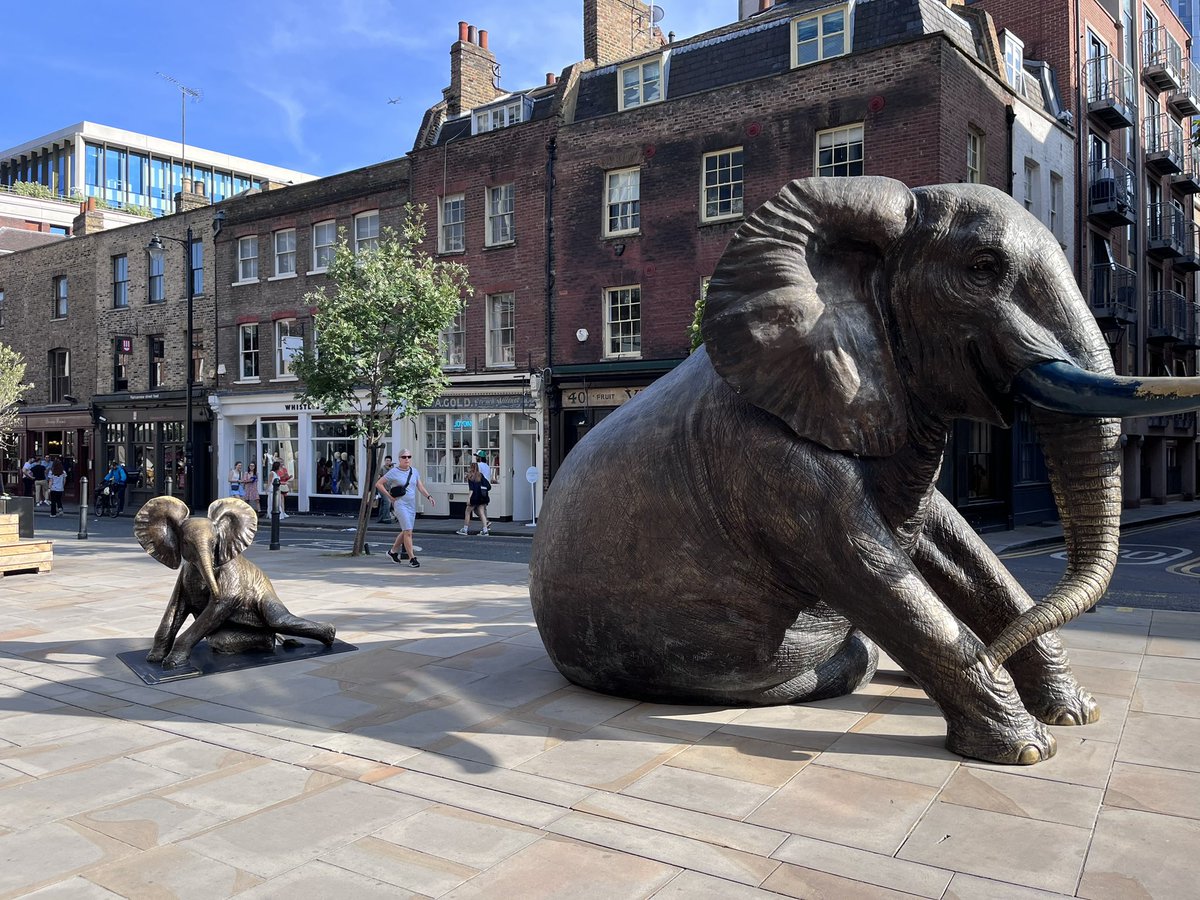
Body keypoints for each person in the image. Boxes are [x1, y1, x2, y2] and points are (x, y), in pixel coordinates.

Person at [376, 449, 434, 568]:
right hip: (400, 504)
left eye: (409, 456)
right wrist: (389, 497)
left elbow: (420, 486)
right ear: (399, 459)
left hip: (411, 505)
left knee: (406, 531)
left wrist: (429, 496)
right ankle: (412, 558)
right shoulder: (394, 472)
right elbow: (379, 484)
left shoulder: (414, 471)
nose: (407, 459)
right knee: (408, 532)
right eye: (404, 457)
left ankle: (392, 552)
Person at [465, 461, 491, 536]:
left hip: (474, 497)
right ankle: (485, 531)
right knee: (481, 513)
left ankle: (465, 529)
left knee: (467, 511)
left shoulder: (470, 476)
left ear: (471, 468)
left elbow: (471, 489)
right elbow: (488, 486)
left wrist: (469, 499)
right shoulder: (481, 475)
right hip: (482, 497)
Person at [376, 454, 395, 524]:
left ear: (391, 462)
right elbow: (378, 477)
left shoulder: (392, 469)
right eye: (386, 460)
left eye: (389, 461)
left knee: (383, 503)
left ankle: (380, 518)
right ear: (384, 461)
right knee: (387, 502)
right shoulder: (382, 468)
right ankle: (386, 518)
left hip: (388, 488)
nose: (387, 462)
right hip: (382, 487)